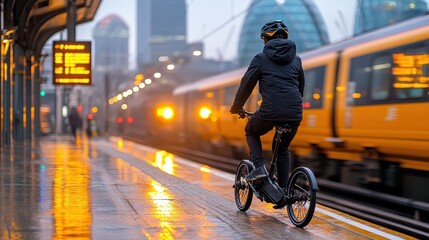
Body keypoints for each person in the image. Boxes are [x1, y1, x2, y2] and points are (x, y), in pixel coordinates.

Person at [230, 20, 305, 189]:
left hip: (270, 111)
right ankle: (285, 190)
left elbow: (246, 85)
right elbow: (300, 88)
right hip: (294, 113)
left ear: (265, 39)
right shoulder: (297, 60)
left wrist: (236, 107)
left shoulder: (261, 59)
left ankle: (258, 168)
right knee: (283, 148)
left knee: (250, 130)